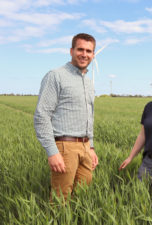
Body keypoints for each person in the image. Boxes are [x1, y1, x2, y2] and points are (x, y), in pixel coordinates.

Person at [34, 33, 99, 200]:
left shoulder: (89, 82)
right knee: (60, 199)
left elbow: (89, 116)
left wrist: (90, 147)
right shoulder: (56, 76)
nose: (84, 54)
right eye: (80, 49)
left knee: (82, 197)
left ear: (93, 54)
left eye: (89, 51)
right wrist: (52, 152)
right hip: (65, 146)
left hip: (85, 147)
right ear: (71, 51)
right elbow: (42, 115)